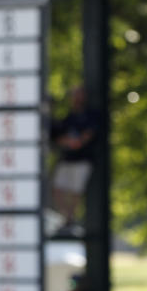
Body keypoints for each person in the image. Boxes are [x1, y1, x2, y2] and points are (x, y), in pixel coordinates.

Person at [50, 85, 99, 237]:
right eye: (74, 95)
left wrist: (75, 142)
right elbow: (58, 138)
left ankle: (71, 219)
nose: (76, 98)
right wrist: (67, 142)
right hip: (67, 160)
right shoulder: (68, 118)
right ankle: (67, 218)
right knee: (58, 188)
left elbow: (86, 137)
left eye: (79, 94)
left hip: (82, 160)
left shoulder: (90, 116)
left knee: (75, 191)